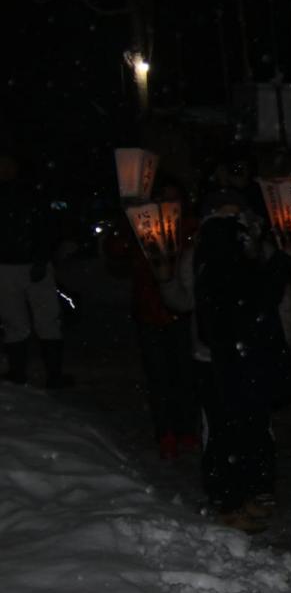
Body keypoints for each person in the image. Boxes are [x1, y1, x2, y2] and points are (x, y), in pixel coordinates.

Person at [191, 212, 291, 531]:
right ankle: (229, 502)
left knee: (248, 433)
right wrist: (281, 263)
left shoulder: (224, 269)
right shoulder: (223, 271)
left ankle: (245, 495)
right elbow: (257, 301)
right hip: (236, 367)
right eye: (243, 238)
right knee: (231, 435)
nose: (248, 242)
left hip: (243, 366)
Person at [103, 178, 199, 458]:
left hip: (182, 313)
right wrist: (128, 221)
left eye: (173, 199)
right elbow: (116, 250)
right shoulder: (143, 227)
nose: (167, 205)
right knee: (159, 377)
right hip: (149, 313)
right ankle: (166, 433)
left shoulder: (190, 227)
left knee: (185, 375)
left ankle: (187, 431)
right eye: (161, 199)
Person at [0, 152, 70, 388]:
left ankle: (53, 374)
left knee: (47, 319)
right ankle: (19, 371)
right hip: (7, 267)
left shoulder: (32, 193)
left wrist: (41, 258)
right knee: (13, 320)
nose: (5, 169)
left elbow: (46, 227)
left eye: (8, 164)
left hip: (32, 264)